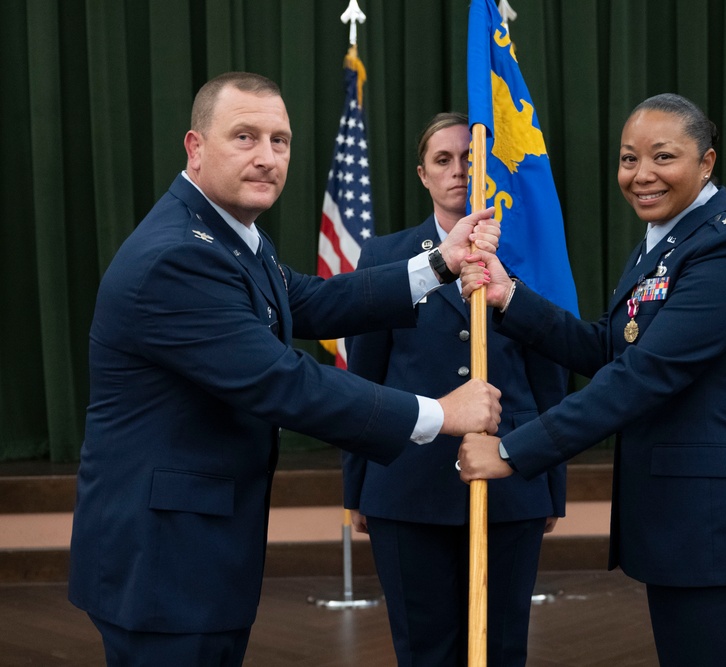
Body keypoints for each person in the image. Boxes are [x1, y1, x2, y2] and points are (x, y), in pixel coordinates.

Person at [68, 72, 503, 667]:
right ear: (195, 148)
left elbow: (307, 301)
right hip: (162, 562)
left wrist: (440, 264)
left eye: (280, 140)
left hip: (194, 553)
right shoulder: (178, 256)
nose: (267, 158)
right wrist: (438, 414)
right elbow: (283, 381)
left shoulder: (230, 234)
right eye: (245, 137)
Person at [458, 93, 726, 666]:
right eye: (628, 159)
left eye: (663, 157)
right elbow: (610, 346)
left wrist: (512, 451)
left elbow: (641, 376)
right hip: (688, 530)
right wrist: (510, 297)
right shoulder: (668, 242)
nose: (641, 175)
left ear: (707, 162)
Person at [342, 112, 569, 666]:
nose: (459, 170)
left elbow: (551, 380)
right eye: (443, 160)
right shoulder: (385, 258)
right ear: (422, 174)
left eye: (470, 157)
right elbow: (365, 382)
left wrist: (550, 483)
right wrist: (358, 486)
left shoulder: (528, 258)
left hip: (510, 481)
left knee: (501, 649)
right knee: (424, 652)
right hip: (407, 485)